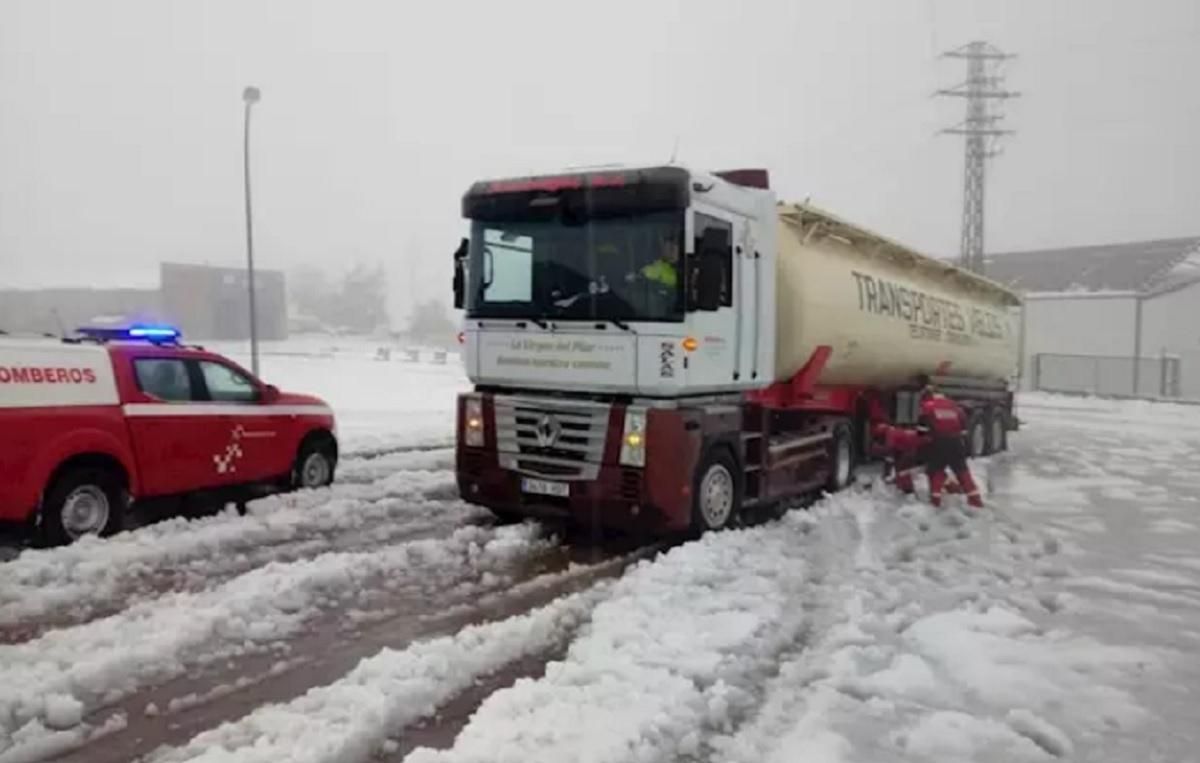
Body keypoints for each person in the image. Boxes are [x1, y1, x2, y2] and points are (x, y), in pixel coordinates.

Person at [918, 381, 984, 508]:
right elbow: (964, 428)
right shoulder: (954, 405)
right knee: (963, 472)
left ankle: (935, 502)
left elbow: (922, 429)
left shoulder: (927, 406)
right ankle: (975, 500)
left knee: (936, 471)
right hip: (956, 443)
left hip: (939, 443)